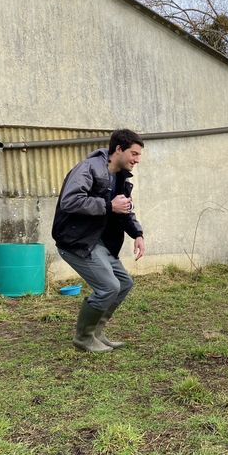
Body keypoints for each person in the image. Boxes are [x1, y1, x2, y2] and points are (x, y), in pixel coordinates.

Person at [52, 129, 146, 352]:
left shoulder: (121, 176)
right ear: (119, 149)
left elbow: (124, 209)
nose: (137, 160)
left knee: (124, 283)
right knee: (108, 287)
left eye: (139, 155)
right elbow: (70, 201)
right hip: (76, 241)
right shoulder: (88, 169)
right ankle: (83, 338)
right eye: (134, 154)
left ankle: (96, 331)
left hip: (98, 242)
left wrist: (138, 234)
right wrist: (107, 205)